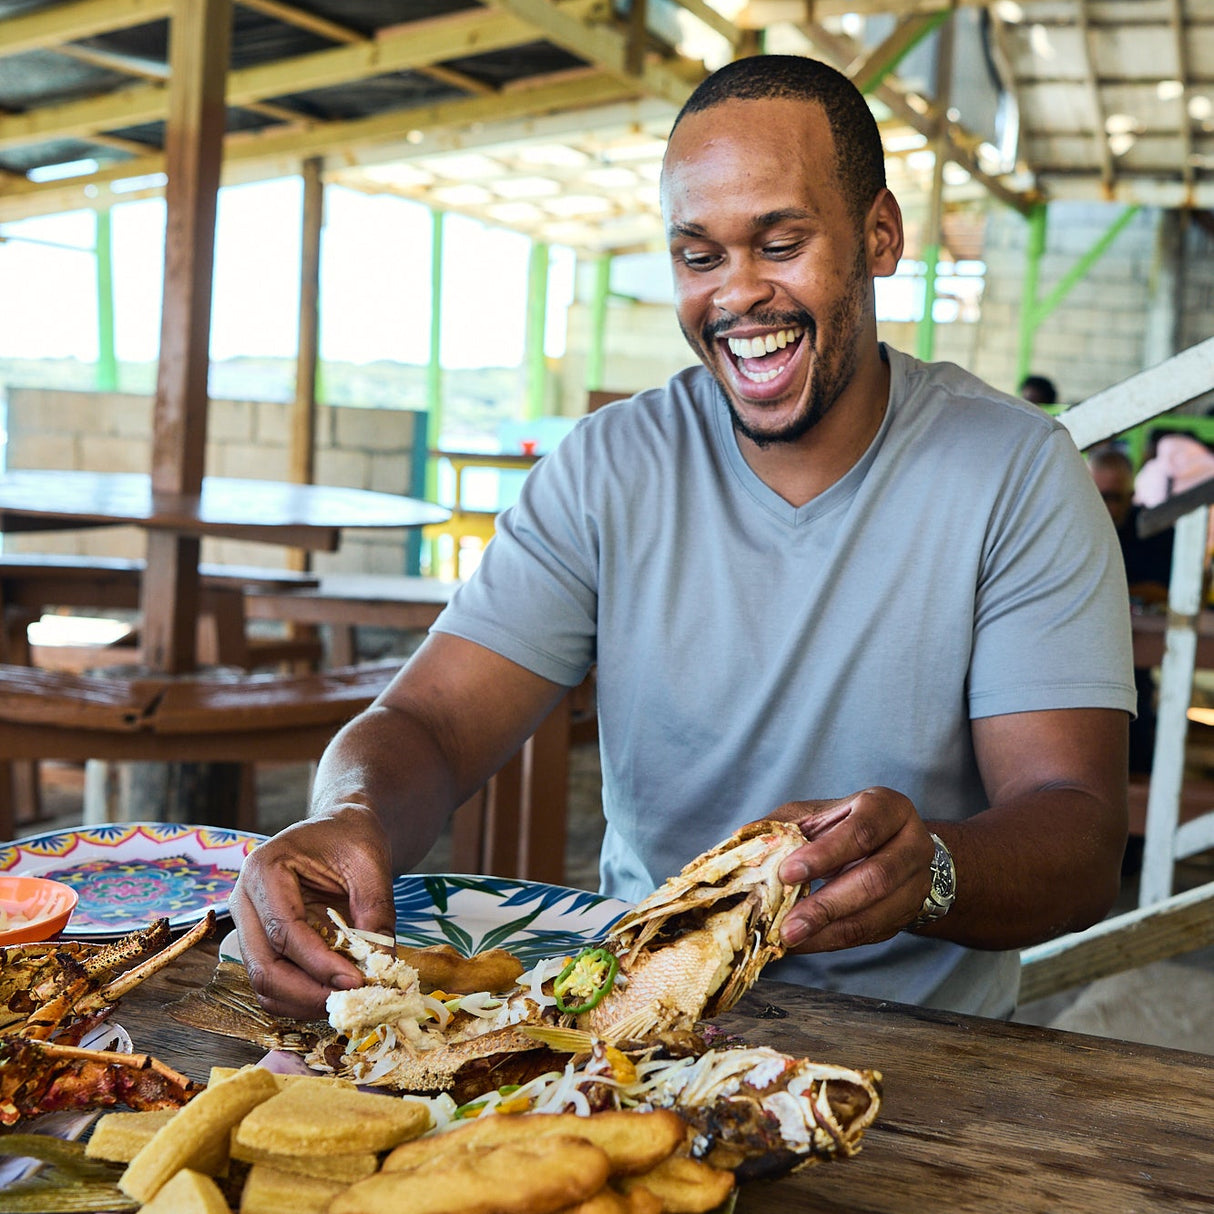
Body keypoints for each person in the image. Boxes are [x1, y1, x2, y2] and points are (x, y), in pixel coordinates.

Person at [231, 55, 1135, 1023]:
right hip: (638, 1018)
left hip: (928, 1043)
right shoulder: (608, 465)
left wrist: (932, 868)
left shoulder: (1012, 471)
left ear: (877, 235)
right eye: (698, 256)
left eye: (778, 242)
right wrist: (346, 817)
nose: (737, 296)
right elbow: (429, 725)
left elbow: (1076, 832)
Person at [1087, 444, 1174, 776]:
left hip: (1132, 666)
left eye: (1114, 497)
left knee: (1135, 749)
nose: (1106, 506)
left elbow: (1168, 589)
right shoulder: (1067, 525)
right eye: (1099, 495)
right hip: (1078, 663)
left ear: (1131, 494)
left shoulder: (1152, 529)